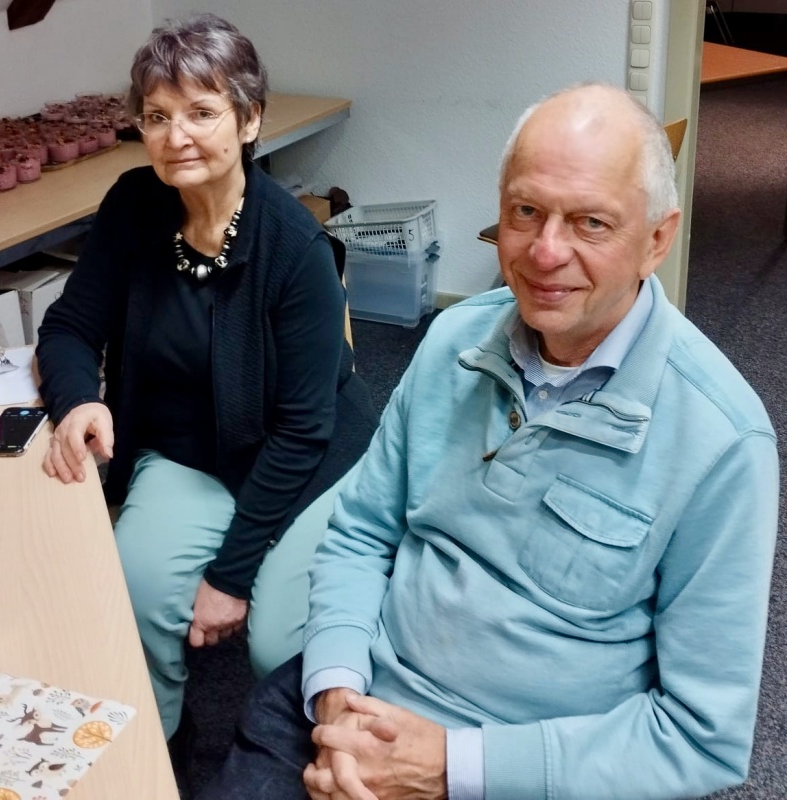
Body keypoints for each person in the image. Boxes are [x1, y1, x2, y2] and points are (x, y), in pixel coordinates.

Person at [199, 83, 779, 800]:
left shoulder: (724, 442)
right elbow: (362, 532)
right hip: (361, 697)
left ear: (657, 240)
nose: (546, 252)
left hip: (527, 770)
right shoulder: (452, 341)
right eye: (525, 212)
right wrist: (338, 692)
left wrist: (452, 768)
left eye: (591, 222)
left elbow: (700, 738)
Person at [35, 12, 377, 752]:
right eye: (157, 117)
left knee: (279, 641)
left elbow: (303, 429)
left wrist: (230, 576)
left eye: (201, 112)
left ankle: (295, 761)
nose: (176, 136)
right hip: (191, 451)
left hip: (305, 458)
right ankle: (159, 744)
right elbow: (68, 327)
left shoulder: (294, 248)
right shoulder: (134, 205)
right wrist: (79, 400)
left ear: (249, 120)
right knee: (135, 586)